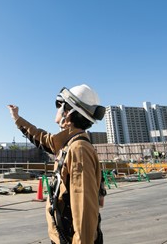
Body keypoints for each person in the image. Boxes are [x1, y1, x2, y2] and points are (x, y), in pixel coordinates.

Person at [7, 84, 106, 244]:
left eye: (59, 106)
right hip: (63, 236)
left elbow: (84, 211)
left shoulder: (78, 149)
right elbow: (44, 139)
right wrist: (17, 119)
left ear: (69, 113)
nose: (57, 110)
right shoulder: (69, 143)